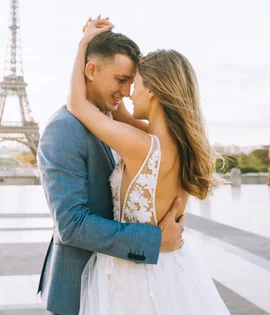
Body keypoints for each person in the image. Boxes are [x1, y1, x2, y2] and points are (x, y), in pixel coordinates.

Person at [69, 16, 229, 314]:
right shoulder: (176, 144)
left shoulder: (141, 145)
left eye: (136, 83)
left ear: (154, 90)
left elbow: (77, 105)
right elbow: (116, 113)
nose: (129, 92)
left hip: (132, 277)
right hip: (171, 268)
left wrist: (83, 46)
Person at [37, 18, 188, 315]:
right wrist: (154, 240)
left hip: (120, 287)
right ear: (90, 71)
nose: (127, 92)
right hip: (79, 292)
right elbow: (71, 225)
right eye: (121, 80)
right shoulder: (64, 129)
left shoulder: (114, 124)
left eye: (132, 82)